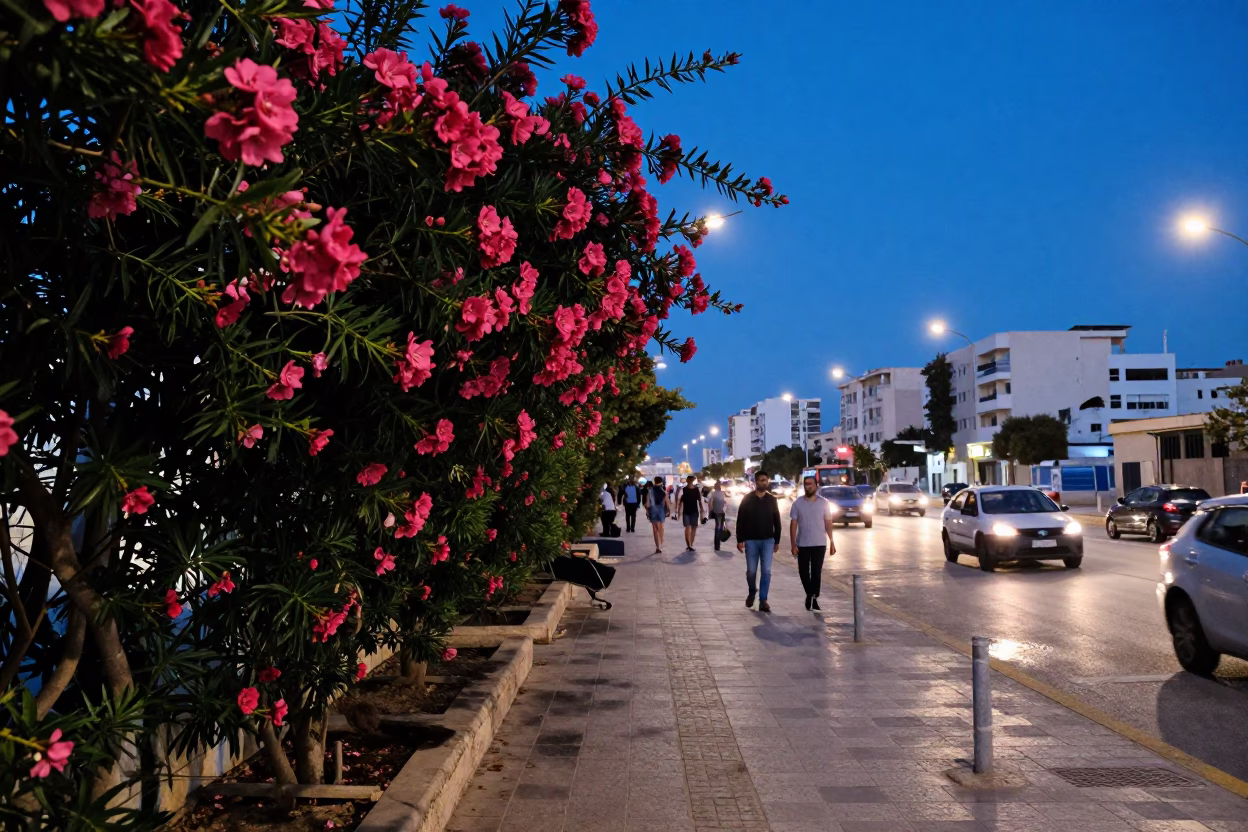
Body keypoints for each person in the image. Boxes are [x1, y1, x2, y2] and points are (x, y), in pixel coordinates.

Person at [789, 475, 837, 611]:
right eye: (806, 484)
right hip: (802, 544)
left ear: (816, 485)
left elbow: (828, 523)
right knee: (803, 572)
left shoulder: (824, 503)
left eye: (810, 484)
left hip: (819, 543)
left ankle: (814, 597)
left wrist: (832, 542)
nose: (808, 486)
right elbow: (793, 524)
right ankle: (809, 593)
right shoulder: (797, 503)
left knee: (816, 572)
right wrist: (793, 544)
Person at [736, 471, 782, 612]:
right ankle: (752, 591)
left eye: (766, 480)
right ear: (756, 482)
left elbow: (777, 521)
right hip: (751, 540)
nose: (764, 482)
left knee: (766, 571)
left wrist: (777, 540)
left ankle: (763, 600)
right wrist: (740, 539)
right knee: (751, 571)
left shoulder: (772, 500)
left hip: (768, 540)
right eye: (761, 480)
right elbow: (740, 520)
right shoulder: (747, 499)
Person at [643, 476, 670, 554]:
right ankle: (660, 545)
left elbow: (647, 503)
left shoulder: (650, 491)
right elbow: (667, 502)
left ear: (654, 481)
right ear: (661, 482)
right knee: (661, 528)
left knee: (655, 529)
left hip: (653, 510)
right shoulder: (663, 491)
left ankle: (657, 546)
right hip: (661, 510)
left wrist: (647, 511)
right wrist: (668, 510)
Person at [679, 475, 705, 551]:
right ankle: (691, 544)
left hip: (686, 511)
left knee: (687, 528)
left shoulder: (684, 489)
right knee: (693, 528)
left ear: (687, 481)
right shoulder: (696, 490)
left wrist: (678, 511)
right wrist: (702, 509)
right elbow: (699, 500)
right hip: (694, 511)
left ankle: (689, 544)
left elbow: (680, 500)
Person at [708, 481, 728, 551]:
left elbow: (710, 503)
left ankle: (717, 545)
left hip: (718, 512)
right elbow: (725, 502)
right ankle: (717, 545)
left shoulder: (714, 493)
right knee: (719, 528)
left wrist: (711, 510)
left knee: (719, 528)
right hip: (720, 512)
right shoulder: (720, 493)